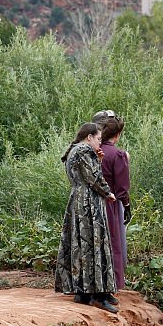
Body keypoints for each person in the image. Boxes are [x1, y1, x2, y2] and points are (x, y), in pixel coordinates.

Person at [55, 122, 119, 313]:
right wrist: (108, 193)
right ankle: (97, 294)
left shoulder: (73, 150)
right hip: (89, 202)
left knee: (81, 244)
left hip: (77, 199)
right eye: (99, 139)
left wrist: (97, 161)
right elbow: (94, 178)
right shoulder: (84, 149)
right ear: (89, 137)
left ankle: (83, 292)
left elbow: (85, 174)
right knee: (94, 244)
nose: (100, 144)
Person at [94, 113, 131, 296]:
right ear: (116, 135)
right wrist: (127, 204)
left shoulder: (92, 149)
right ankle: (111, 283)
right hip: (110, 202)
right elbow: (122, 186)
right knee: (112, 241)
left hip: (91, 201)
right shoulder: (118, 154)